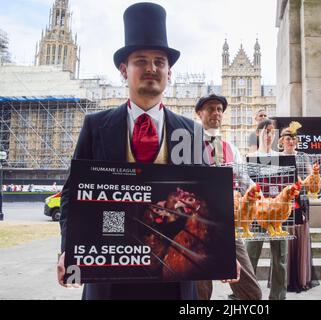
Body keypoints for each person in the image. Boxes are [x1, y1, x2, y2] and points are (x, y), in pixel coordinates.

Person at [56, 3, 240, 300]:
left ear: (169, 73)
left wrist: (222, 252)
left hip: (173, 279)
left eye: (160, 62)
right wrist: (69, 249)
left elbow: (209, 201)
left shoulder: (191, 132)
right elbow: (71, 194)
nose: (152, 68)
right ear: (123, 70)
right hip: (110, 275)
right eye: (141, 61)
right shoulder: (95, 126)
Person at [194, 93, 262, 300]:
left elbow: (243, 180)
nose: (216, 113)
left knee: (251, 294)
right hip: (196, 228)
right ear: (199, 113)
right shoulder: (188, 146)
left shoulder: (231, 148)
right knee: (199, 294)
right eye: (211, 108)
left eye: (219, 110)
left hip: (227, 227)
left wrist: (259, 196)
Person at [246, 119, 288, 300]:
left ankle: (277, 297)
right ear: (258, 133)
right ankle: (246, 295)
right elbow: (245, 186)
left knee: (280, 259)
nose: (269, 135)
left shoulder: (281, 158)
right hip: (258, 214)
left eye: (272, 132)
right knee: (250, 256)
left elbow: (286, 183)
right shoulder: (250, 158)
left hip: (278, 215)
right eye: (265, 131)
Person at [278, 123, 318, 292]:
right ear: (282, 141)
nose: (291, 141)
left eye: (294, 139)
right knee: (284, 242)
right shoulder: (276, 157)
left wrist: (313, 176)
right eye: (288, 138)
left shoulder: (303, 156)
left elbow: (311, 181)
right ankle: (284, 281)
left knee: (300, 240)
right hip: (282, 204)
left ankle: (300, 279)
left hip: (300, 203)